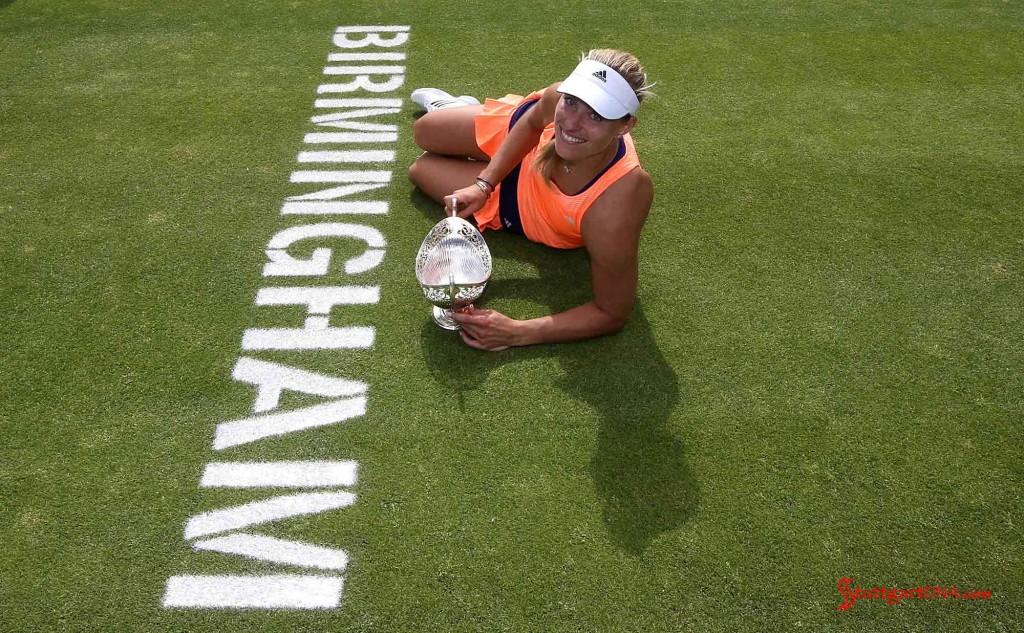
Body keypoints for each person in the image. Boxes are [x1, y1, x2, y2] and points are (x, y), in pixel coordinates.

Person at [408, 49, 655, 352]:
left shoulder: (620, 198)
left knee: (421, 169)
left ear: (625, 125)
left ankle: (463, 125)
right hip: (520, 143)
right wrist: (484, 184)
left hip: (519, 208)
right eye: (573, 102)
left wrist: (516, 332)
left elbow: (611, 312)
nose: (572, 122)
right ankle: (458, 108)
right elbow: (532, 122)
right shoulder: (558, 99)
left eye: (596, 115)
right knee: (423, 131)